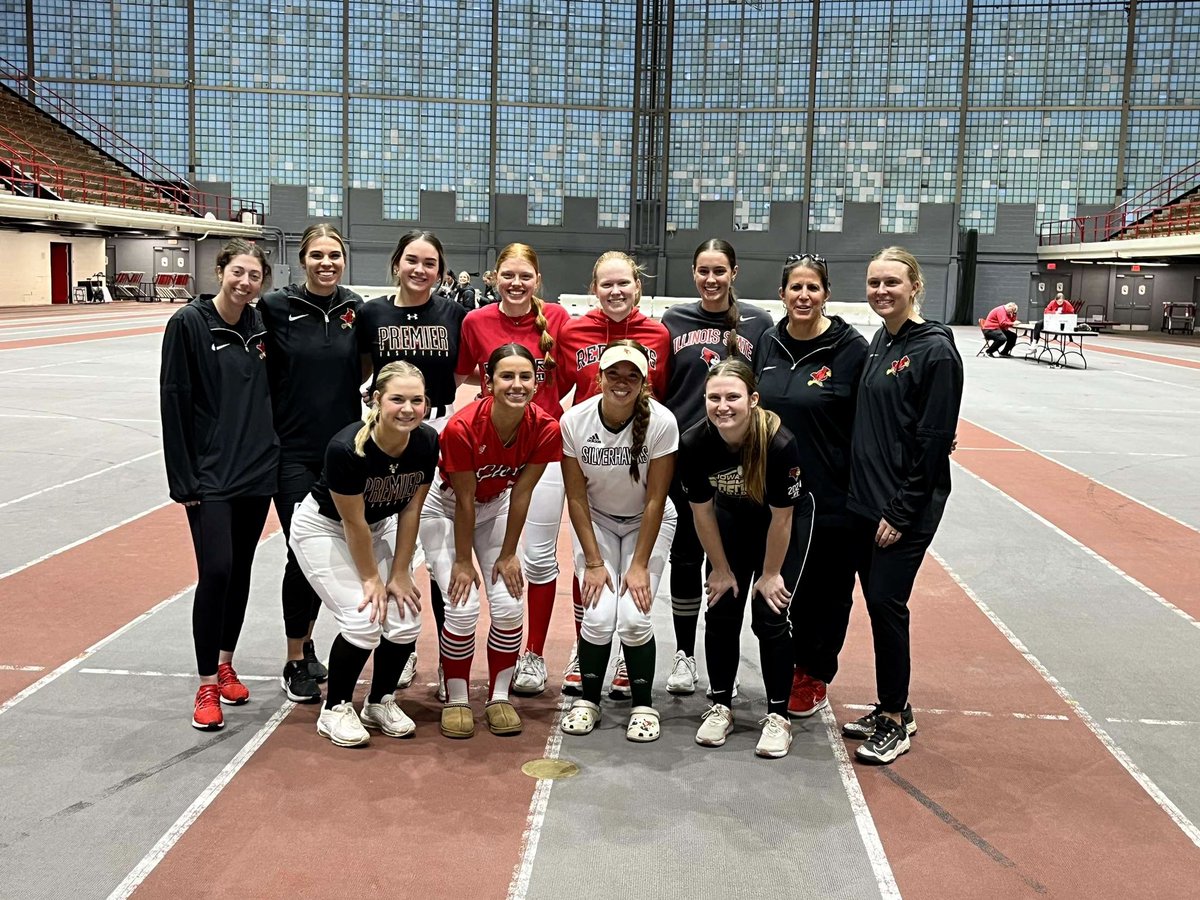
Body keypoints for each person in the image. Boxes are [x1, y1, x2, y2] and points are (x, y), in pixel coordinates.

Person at [842, 246, 963, 765]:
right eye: (873, 283)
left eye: (891, 282)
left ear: (915, 285)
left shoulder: (935, 351)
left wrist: (902, 510)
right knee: (878, 606)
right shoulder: (879, 342)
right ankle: (895, 705)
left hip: (901, 507)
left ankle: (895, 719)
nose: (881, 291)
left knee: (888, 606)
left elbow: (935, 441)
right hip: (867, 502)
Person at [160, 239, 279, 731]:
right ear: (221, 271)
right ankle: (207, 681)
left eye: (255, 276)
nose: (245, 282)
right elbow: (173, 399)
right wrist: (182, 478)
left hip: (256, 472)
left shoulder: (259, 325)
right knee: (217, 571)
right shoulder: (188, 324)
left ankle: (226, 661)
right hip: (209, 477)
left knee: (242, 570)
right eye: (238, 272)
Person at [288, 362, 437, 747]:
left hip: (380, 525)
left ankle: (379, 701)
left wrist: (401, 572)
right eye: (397, 399)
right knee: (365, 618)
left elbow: (411, 510)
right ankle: (334, 707)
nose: (407, 409)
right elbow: (352, 524)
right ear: (375, 401)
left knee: (404, 618)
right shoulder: (346, 448)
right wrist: (372, 580)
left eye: (416, 400)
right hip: (326, 528)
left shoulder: (426, 442)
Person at [422, 344, 562, 738]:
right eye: (506, 376)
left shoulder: (546, 427)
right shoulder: (462, 427)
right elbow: (464, 500)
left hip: (497, 505)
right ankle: (457, 697)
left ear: (537, 383)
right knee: (462, 607)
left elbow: (521, 494)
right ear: (488, 381)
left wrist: (508, 553)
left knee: (508, 604)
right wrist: (464, 561)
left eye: (525, 377)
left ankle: (499, 696)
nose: (516, 385)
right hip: (446, 508)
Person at [678, 358, 813, 759]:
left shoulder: (779, 442)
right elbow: (701, 513)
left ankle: (778, 716)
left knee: (770, 615)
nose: (723, 406)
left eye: (733, 397)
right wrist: (720, 569)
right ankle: (720, 704)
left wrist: (771, 574)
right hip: (731, 522)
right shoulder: (694, 443)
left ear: (753, 399)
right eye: (714, 397)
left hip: (782, 525)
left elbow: (782, 519)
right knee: (721, 608)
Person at [754, 253, 868, 720]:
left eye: (812, 288)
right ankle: (789, 664)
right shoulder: (767, 342)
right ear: (782, 294)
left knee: (827, 590)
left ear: (826, 293)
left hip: (829, 495)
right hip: (774, 494)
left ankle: (815, 671)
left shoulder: (851, 348)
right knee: (782, 585)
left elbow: (876, 411)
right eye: (795, 288)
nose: (803, 296)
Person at [555, 250, 672, 695]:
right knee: (590, 569)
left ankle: (627, 658)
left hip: (640, 458)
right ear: (593, 288)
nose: (616, 291)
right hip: (590, 458)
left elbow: (666, 397)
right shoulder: (573, 332)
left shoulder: (658, 335)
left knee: (634, 588)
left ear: (638, 287)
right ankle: (586, 647)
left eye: (624, 283)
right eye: (606, 284)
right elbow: (555, 390)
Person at [456, 243, 570, 696]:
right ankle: (428, 657)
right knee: (461, 554)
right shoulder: (474, 322)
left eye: (525, 275)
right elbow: (461, 380)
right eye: (508, 275)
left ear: (537, 279)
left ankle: (534, 656)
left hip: (542, 451)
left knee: (540, 558)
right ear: (493, 277)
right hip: (489, 452)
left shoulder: (559, 321)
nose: (516, 283)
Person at [660, 238, 772, 696]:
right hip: (686, 456)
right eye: (703, 270)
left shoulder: (759, 324)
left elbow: (768, 387)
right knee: (685, 557)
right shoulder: (673, 321)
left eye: (719, 271)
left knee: (726, 561)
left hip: (740, 462)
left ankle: (725, 663)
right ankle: (685, 656)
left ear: (734, 272)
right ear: (693, 273)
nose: (711, 279)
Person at [357, 230, 468, 690]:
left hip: (437, 428)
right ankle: (399, 652)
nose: (420, 270)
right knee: (388, 546)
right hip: (385, 433)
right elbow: (362, 370)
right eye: (412, 261)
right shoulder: (372, 313)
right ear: (396, 264)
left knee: (438, 550)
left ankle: (448, 659)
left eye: (430, 263)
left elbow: (463, 372)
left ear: (441, 272)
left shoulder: (455, 314)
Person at [259, 223, 364, 703]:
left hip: (344, 450)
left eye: (335, 255)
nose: (327, 263)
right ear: (302, 260)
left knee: (331, 549)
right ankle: (294, 657)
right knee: (301, 553)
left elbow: (364, 367)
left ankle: (310, 641)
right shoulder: (276, 307)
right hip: (293, 452)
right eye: (317, 255)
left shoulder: (355, 309)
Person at [558, 341, 677, 742]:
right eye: (614, 374)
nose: (621, 383)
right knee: (596, 613)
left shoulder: (662, 422)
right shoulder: (575, 421)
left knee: (633, 617)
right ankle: (588, 700)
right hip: (598, 523)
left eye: (632, 376)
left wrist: (640, 565)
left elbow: (656, 499)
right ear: (599, 377)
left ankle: (643, 705)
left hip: (649, 523)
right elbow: (575, 497)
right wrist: (593, 562)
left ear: (644, 382)